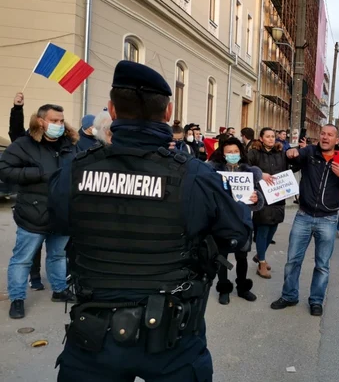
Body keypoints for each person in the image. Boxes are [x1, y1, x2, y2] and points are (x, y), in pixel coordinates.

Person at [48, 60, 252, 380]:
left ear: (112, 110)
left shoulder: (75, 171)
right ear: (168, 113)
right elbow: (236, 236)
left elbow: (54, 223)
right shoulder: (195, 176)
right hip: (173, 338)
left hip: (94, 332)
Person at [0, 102, 80, 319]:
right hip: (33, 213)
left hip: (62, 213)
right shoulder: (24, 144)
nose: (59, 125)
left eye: (61, 121)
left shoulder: (70, 144)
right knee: (23, 258)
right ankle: (17, 298)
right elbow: (4, 169)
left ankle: (59, 290)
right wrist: (37, 173)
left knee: (57, 255)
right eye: (54, 121)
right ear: (41, 121)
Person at [271, 124, 339, 316]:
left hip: (328, 219)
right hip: (304, 215)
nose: (325, 137)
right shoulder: (310, 152)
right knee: (293, 260)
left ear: (337, 140)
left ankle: (316, 300)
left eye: (330, 135)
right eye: (323, 134)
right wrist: (291, 152)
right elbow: (292, 159)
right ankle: (289, 295)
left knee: (322, 265)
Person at [208, 136, 264, 303]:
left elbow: (258, 197)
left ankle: (242, 287)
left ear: (240, 152)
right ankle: (223, 288)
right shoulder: (213, 172)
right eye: (229, 152)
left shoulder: (249, 172)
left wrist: (256, 198)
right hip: (222, 220)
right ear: (222, 154)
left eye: (235, 152)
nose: (232, 154)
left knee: (242, 256)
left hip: (242, 220)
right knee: (222, 256)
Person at [7, 92, 45, 292]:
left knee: (55, 249)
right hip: (31, 204)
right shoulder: (26, 142)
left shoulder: (58, 143)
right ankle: (35, 276)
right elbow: (14, 132)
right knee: (32, 245)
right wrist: (17, 108)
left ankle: (59, 284)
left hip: (53, 203)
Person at [248, 127, 288, 279]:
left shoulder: (281, 153)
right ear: (261, 138)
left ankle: (260, 255)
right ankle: (262, 262)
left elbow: (291, 168)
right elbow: (245, 168)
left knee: (273, 228)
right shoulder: (254, 153)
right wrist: (260, 174)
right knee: (263, 229)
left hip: (279, 195)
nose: (271, 139)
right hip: (261, 197)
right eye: (268, 136)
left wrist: (297, 154)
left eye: (273, 136)